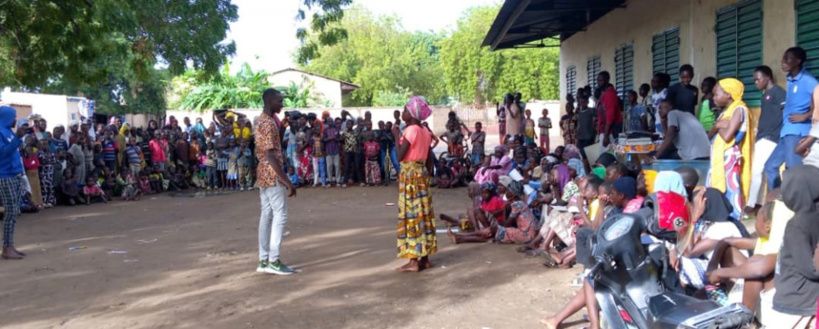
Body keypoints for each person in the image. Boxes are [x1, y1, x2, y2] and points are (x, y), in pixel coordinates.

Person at [769, 165, 819, 327]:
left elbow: (811, 270)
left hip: (796, 301)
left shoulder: (797, 225)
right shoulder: (812, 219)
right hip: (804, 298)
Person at [255, 88, 297, 276]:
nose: (282, 104)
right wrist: (287, 180)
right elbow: (271, 155)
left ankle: (264, 260)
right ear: (270, 101)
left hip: (263, 173)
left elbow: (272, 145)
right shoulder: (268, 123)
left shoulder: (263, 121)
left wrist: (282, 127)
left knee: (267, 215)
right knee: (280, 215)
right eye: (279, 101)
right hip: (272, 173)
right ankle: (274, 260)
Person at [765, 47, 817, 192]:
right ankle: (776, 201)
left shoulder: (809, 81)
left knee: (795, 173)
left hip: (797, 133)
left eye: (787, 59)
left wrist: (805, 116)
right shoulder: (790, 79)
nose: (783, 62)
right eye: (783, 58)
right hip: (786, 132)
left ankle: (798, 206)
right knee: (770, 167)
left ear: (798, 61)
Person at [394, 96, 436, 272]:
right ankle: (424, 258)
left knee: (411, 214)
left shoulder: (410, 130)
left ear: (411, 113)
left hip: (410, 176)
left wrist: (396, 136)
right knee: (423, 213)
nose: (402, 113)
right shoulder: (425, 131)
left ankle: (413, 261)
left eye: (404, 110)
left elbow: (400, 156)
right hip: (421, 175)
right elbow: (429, 159)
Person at [710, 78, 754, 220]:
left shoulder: (739, 109)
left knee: (731, 189)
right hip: (719, 157)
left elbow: (728, 136)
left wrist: (719, 126)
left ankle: (733, 218)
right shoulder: (725, 112)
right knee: (717, 188)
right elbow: (711, 133)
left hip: (729, 158)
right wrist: (718, 125)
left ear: (728, 94)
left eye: (716, 94)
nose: (714, 97)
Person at [748, 66, 786, 210]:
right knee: (762, 171)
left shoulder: (778, 92)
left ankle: (751, 204)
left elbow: (786, 113)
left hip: (771, 138)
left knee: (757, 170)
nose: (755, 82)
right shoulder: (765, 95)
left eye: (758, 79)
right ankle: (760, 203)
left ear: (768, 77)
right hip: (762, 137)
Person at [0, 105, 27, 259]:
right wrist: (17, 138)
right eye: (13, 116)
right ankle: (7, 247)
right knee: (10, 212)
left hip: (15, 174)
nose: (15, 119)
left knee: (14, 211)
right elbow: (2, 153)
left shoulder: (8, 131)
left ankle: (10, 245)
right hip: (4, 176)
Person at [596, 71, 623, 146]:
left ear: (607, 80)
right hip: (604, 131)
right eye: (597, 80)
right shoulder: (604, 94)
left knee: (607, 156)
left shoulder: (609, 94)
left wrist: (606, 136)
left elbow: (610, 117)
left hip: (610, 132)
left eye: (601, 80)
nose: (598, 82)